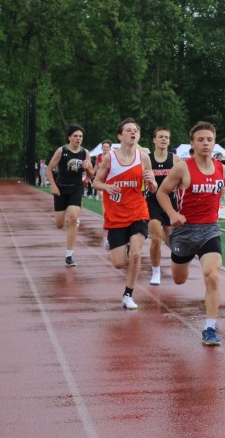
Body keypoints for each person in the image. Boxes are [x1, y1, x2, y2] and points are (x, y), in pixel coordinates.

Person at [156, 121, 225, 346]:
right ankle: (180, 258)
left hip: (210, 230)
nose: (206, 143)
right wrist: (172, 214)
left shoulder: (221, 169)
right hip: (184, 231)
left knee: (212, 274)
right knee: (179, 279)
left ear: (214, 142)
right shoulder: (182, 168)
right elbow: (162, 192)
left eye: (209, 139)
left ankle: (209, 327)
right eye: (200, 140)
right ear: (192, 143)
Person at [93, 118, 156, 309]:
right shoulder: (109, 158)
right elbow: (96, 182)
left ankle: (128, 294)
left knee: (136, 255)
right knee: (119, 263)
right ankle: (114, 241)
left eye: (135, 130)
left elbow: (153, 188)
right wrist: (106, 187)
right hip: (116, 213)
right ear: (120, 136)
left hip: (138, 210)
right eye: (128, 130)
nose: (133, 132)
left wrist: (151, 181)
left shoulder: (143, 158)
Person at [45, 124, 94, 267]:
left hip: (76, 189)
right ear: (69, 137)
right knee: (60, 224)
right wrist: (53, 186)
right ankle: (70, 217)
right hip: (61, 189)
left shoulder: (85, 153)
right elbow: (49, 169)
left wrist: (87, 168)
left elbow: (91, 174)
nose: (78, 139)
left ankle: (69, 255)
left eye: (80, 136)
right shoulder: (62, 150)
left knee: (72, 217)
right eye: (75, 136)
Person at [146, 126, 181, 286]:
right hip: (152, 202)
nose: (164, 139)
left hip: (170, 203)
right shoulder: (147, 159)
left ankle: (178, 262)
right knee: (155, 238)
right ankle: (156, 272)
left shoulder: (175, 160)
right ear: (154, 140)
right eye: (160, 137)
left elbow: (183, 179)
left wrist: (179, 187)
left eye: (166, 137)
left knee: (170, 240)